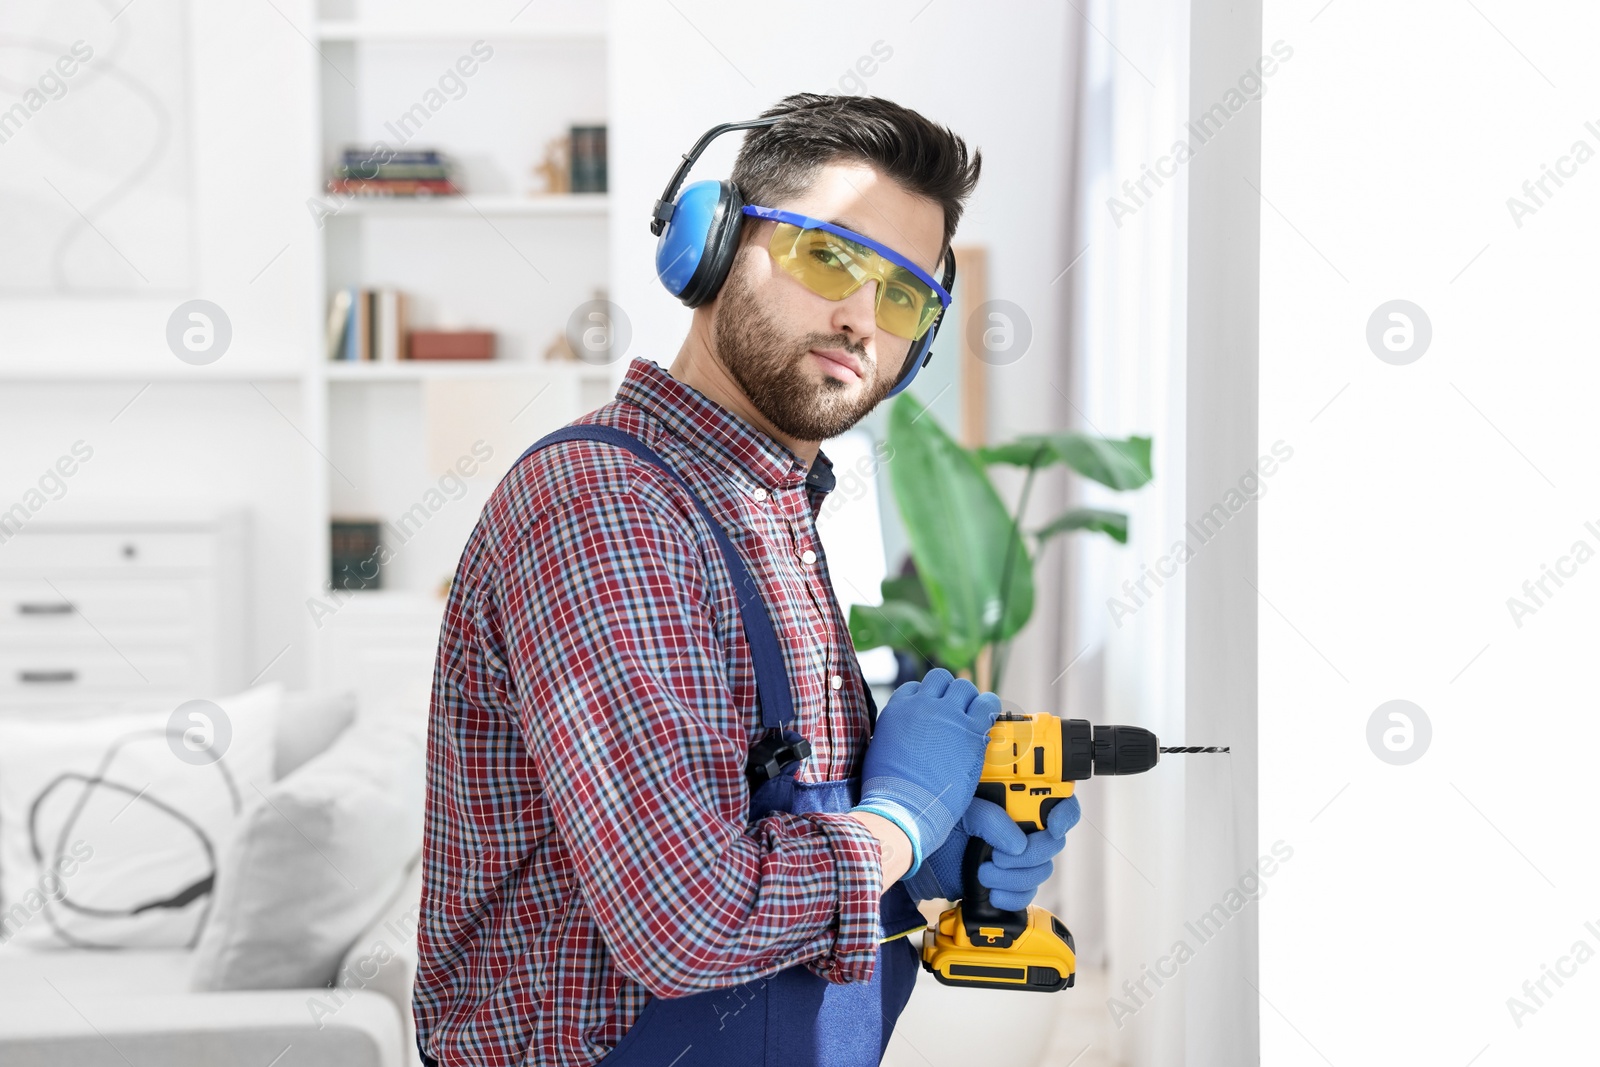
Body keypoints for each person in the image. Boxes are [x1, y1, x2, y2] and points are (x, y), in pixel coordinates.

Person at [412, 93, 1078, 1067]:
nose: (861, 318)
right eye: (830, 258)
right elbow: (685, 917)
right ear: (711, 245)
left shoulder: (767, 510)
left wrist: (932, 854)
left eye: (901, 297)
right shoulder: (606, 506)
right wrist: (897, 821)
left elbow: (757, 820)